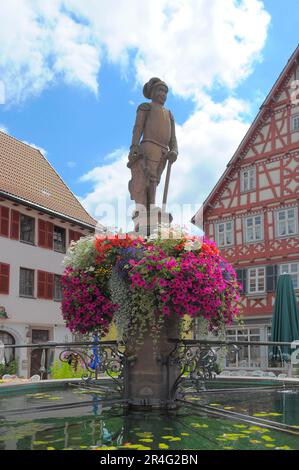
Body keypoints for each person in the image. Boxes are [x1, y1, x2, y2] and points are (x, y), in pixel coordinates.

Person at [127, 78, 178, 218]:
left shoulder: (169, 114)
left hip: (163, 151)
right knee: (148, 177)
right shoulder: (146, 107)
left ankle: (151, 206)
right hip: (149, 145)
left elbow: (173, 138)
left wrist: (174, 150)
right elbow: (137, 129)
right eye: (160, 90)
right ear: (153, 92)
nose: (163, 94)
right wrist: (134, 146)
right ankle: (147, 207)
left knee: (155, 180)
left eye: (165, 92)